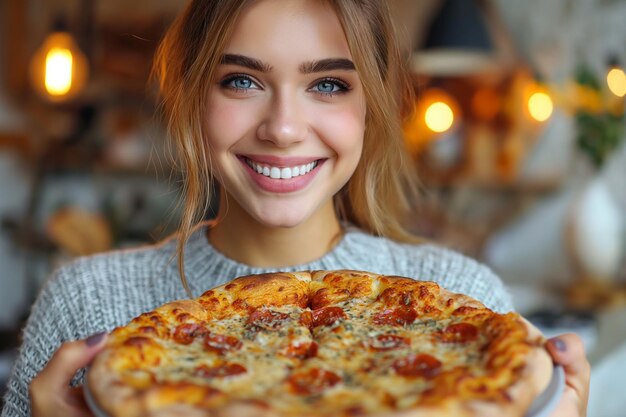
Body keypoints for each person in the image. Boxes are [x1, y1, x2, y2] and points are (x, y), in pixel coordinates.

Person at [2, 1, 589, 416]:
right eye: (241, 81)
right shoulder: (83, 307)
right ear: (192, 97)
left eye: (329, 85)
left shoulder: (463, 293)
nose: (283, 128)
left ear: (372, 106)